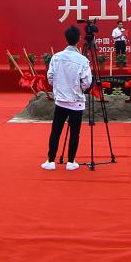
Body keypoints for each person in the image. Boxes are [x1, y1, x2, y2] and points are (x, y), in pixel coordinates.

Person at [41, 25, 93, 171]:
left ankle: (51, 160)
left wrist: (60, 88)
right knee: (75, 132)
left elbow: (50, 77)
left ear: (66, 38)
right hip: (76, 102)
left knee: (56, 131)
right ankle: (71, 161)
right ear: (79, 39)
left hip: (61, 101)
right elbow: (87, 82)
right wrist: (79, 89)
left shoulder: (56, 57)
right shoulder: (82, 60)